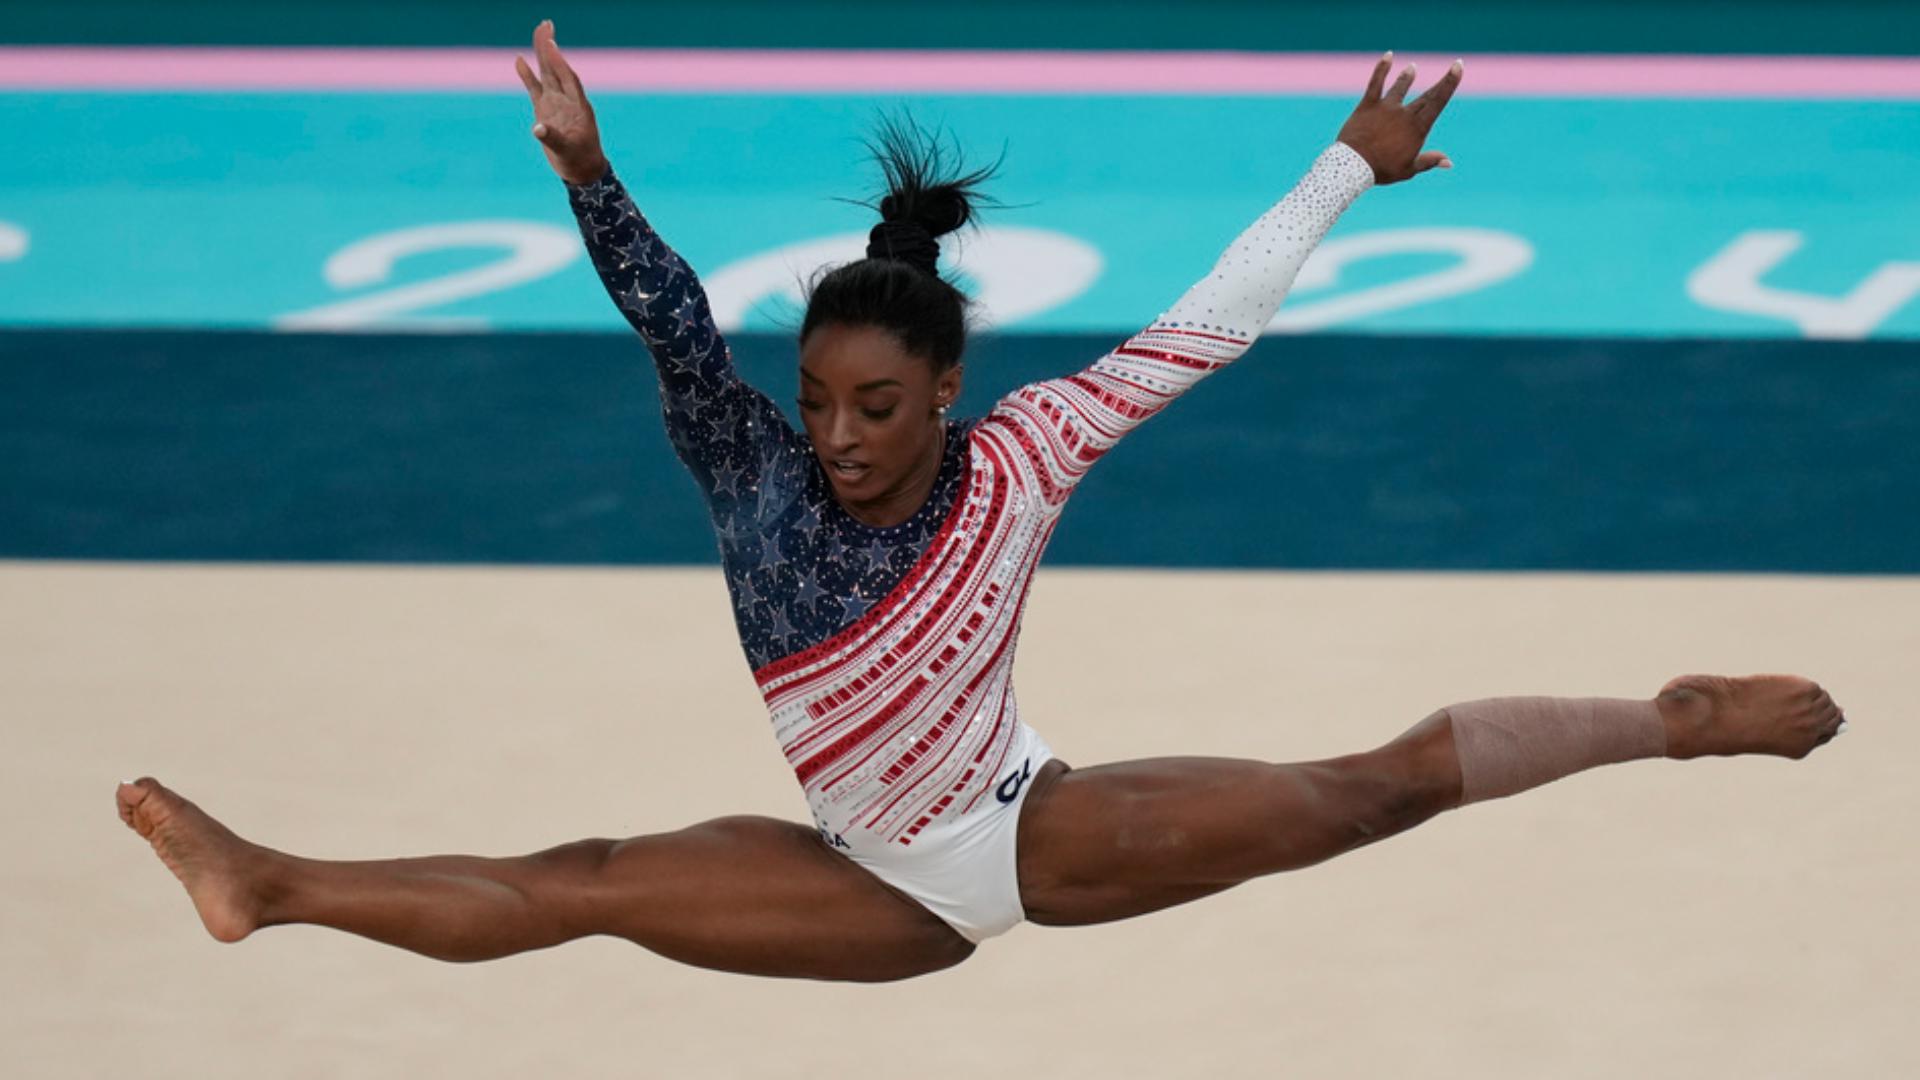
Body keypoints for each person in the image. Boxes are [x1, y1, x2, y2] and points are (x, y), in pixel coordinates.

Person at [118, 23, 1846, 983]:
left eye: (876, 409)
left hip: (1027, 830)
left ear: (948, 394)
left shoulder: (1023, 454)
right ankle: (269, 884)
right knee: (576, 884)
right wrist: (589, 171)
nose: (839, 439)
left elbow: (1207, 325)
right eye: (817, 406)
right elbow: (667, 314)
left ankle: (1676, 718)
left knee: (1369, 791)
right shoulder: (752, 472)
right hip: (868, 885)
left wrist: (1344, 166)